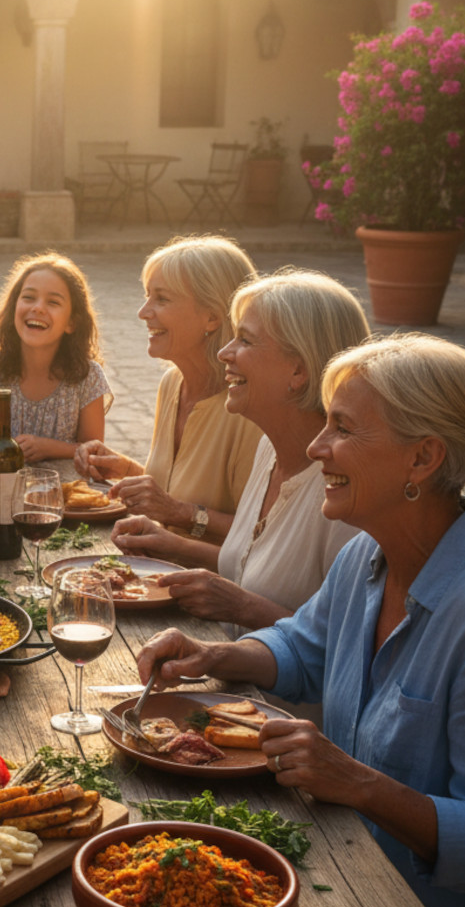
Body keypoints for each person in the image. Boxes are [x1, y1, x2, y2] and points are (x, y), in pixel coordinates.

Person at [135, 334, 465, 907]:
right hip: (338, 879)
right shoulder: (366, 554)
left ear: (422, 458)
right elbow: (302, 646)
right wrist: (216, 653)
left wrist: (358, 783)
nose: (317, 447)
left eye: (342, 429)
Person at [113, 271, 369, 637]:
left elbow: (349, 647)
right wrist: (172, 546)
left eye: (245, 340)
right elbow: (251, 566)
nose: (223, 352)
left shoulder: (344, 489)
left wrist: (242, 607)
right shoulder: (270, 449)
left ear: (298, 370)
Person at [74, 235, 262, 542]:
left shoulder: (249, 409)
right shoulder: (173, 383)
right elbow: (173, 492)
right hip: (157, 563)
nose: (143, 312)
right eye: (147, 296)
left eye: (161, 299)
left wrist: (180, 513)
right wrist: (125, 469)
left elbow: (261, 537)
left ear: (212, 317)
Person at [0, 253, 112, 462]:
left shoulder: (88, 376)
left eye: (53, 302)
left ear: (71, 323)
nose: (37, 308)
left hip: (68, 482)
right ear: (13, 308)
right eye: (28, 297)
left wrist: (49, 448)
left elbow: (93, 451)